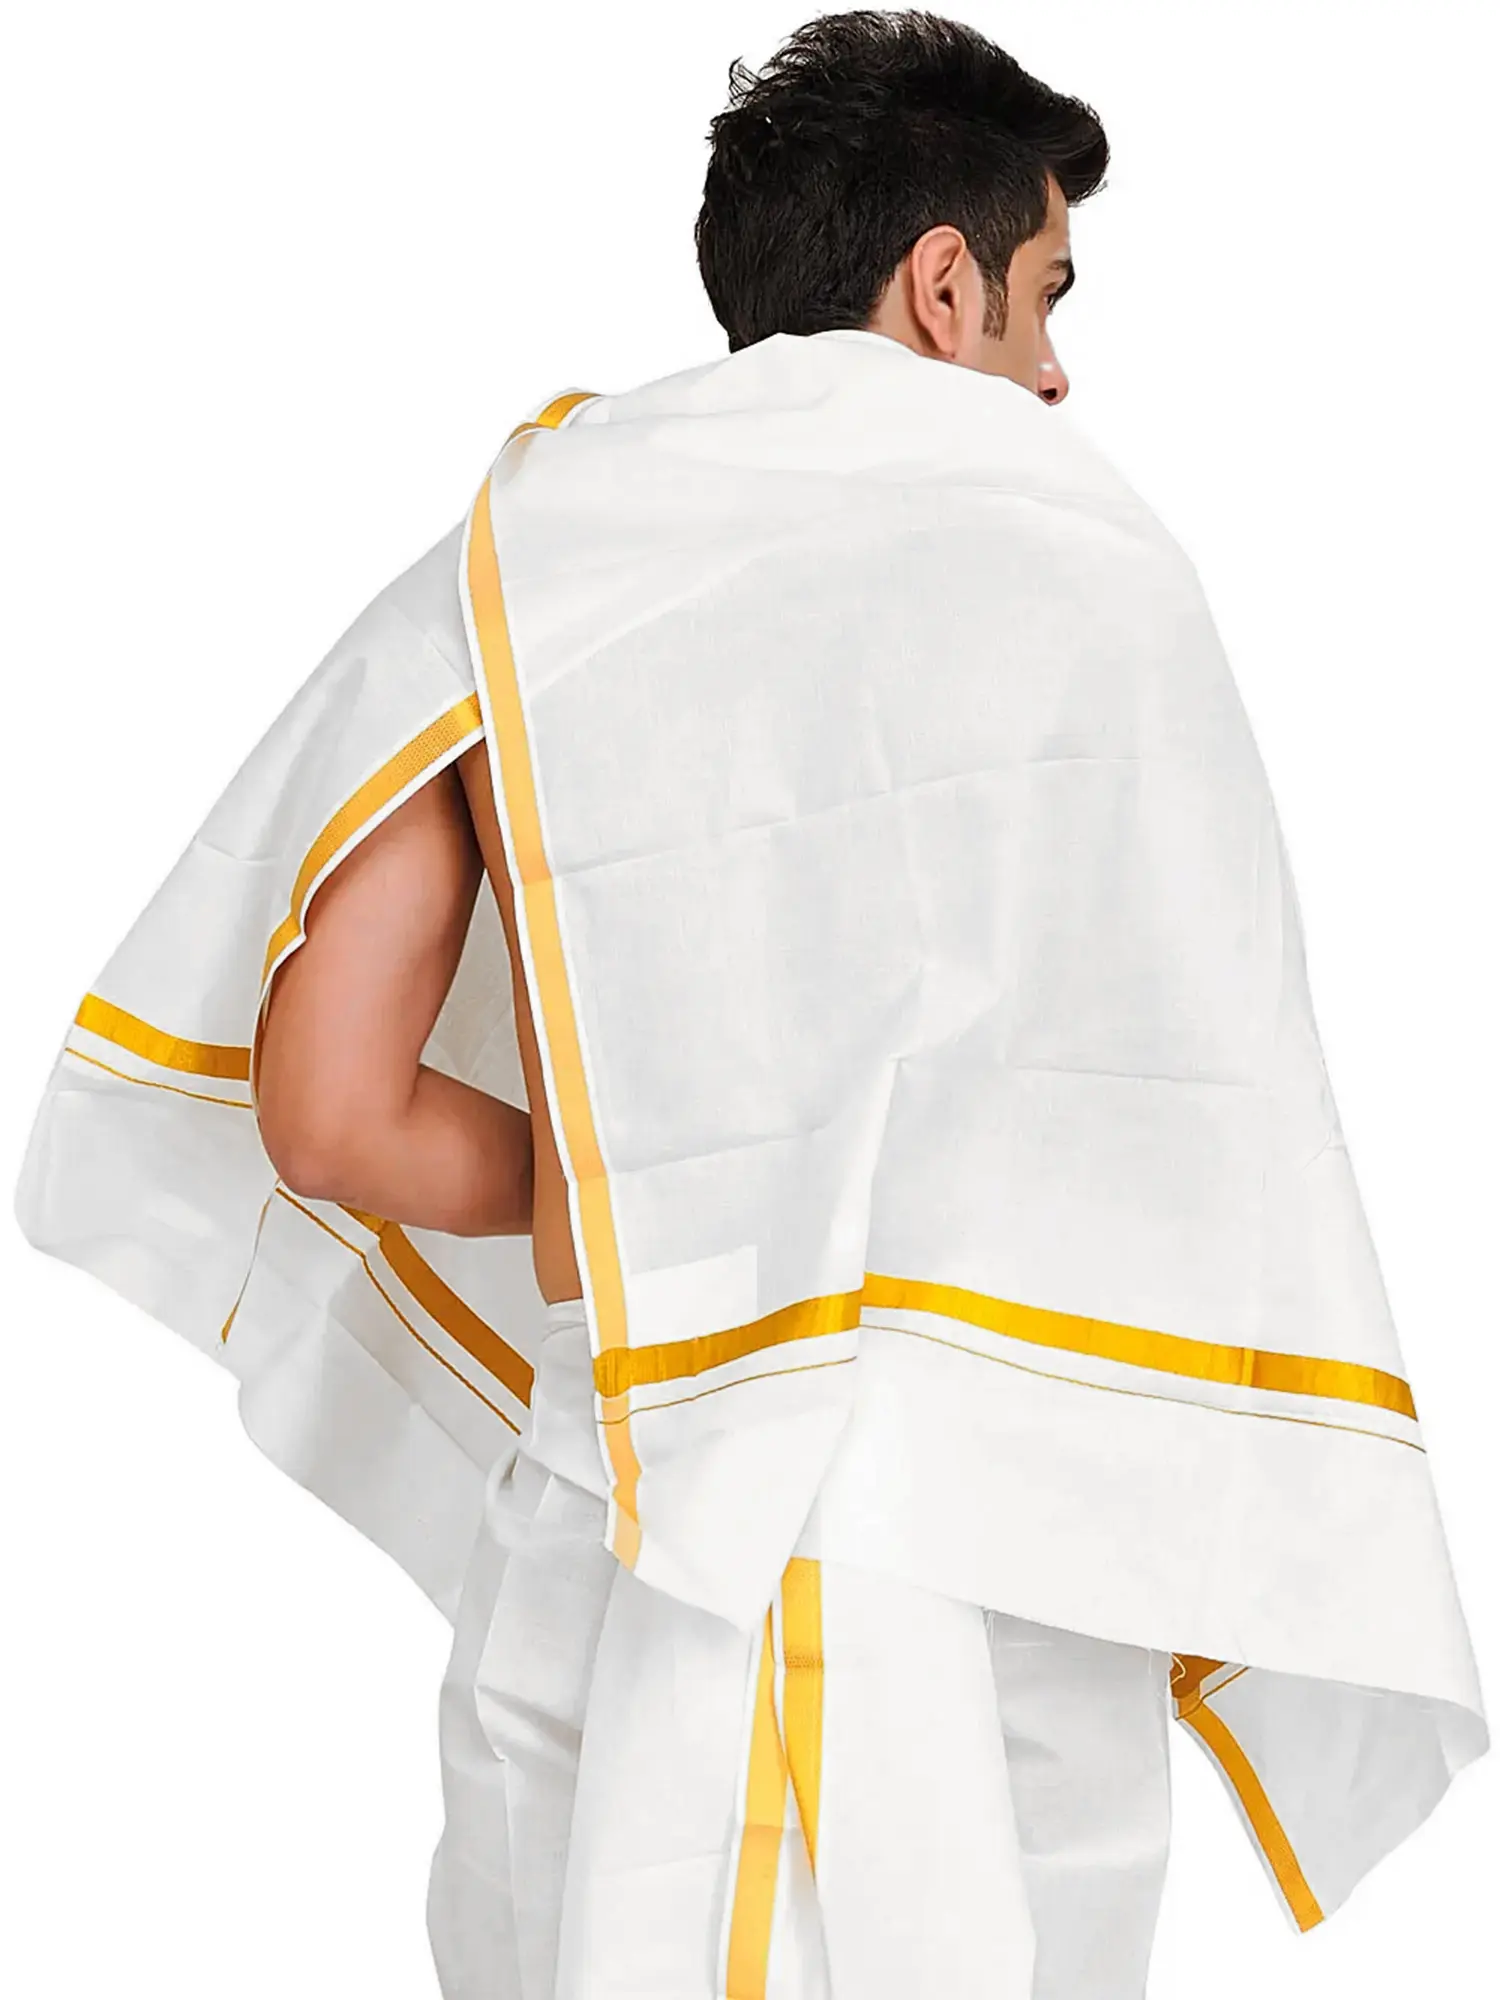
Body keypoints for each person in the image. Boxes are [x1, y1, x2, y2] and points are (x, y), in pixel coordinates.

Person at [16, 12, 1486, 2000]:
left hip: (619, 1499)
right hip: (1002, 1539)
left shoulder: (540, 544)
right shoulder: (1091, 553)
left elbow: (329, 1112)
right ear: (945, 280)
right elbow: (1211, 1114)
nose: (1058, 370)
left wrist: (652, 1200)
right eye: (1049, 294)